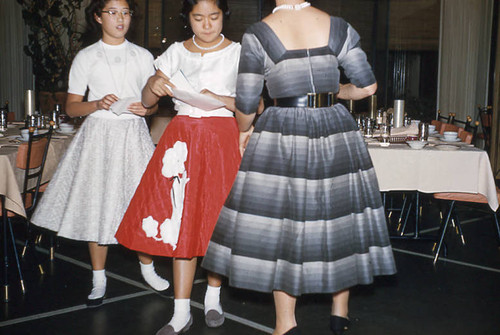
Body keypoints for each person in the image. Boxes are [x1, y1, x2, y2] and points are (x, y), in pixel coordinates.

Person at [201, 1, 397, 335]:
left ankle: (285, 323)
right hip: (335, 127)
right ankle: (340, 311)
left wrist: (244, 129)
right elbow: (367, 87)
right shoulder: (338, 26)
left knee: (283, 225)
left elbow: (247, 105)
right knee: (339, 217)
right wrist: (334, 92)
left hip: (283, 130)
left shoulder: (259, 33)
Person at [31, 0, 169, 307]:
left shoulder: (143, 56)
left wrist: (145, 108)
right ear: (98, 17)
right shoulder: (86, 56)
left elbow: (154, 103)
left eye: (125, 12)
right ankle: (98, 277)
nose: (120, 19)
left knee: (139, 202)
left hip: (133, 135)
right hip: (98, 137)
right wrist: (97, 104)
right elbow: (71, 107)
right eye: (112, 12)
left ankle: (147, 267)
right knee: (98, 204)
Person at [114, 0, 241, 334]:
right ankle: (180, 311)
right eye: (198, 18)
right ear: (188, 19)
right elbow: (146, 101)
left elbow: (252, 105)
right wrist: (152, 88)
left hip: (221, 138)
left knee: (215, 221)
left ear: (223, 16)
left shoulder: (238, 53)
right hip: (182, 140)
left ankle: (213, 297)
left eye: (213, 17)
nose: (207, 25)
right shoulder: (174, 52)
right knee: (180, 219)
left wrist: (223, 99)